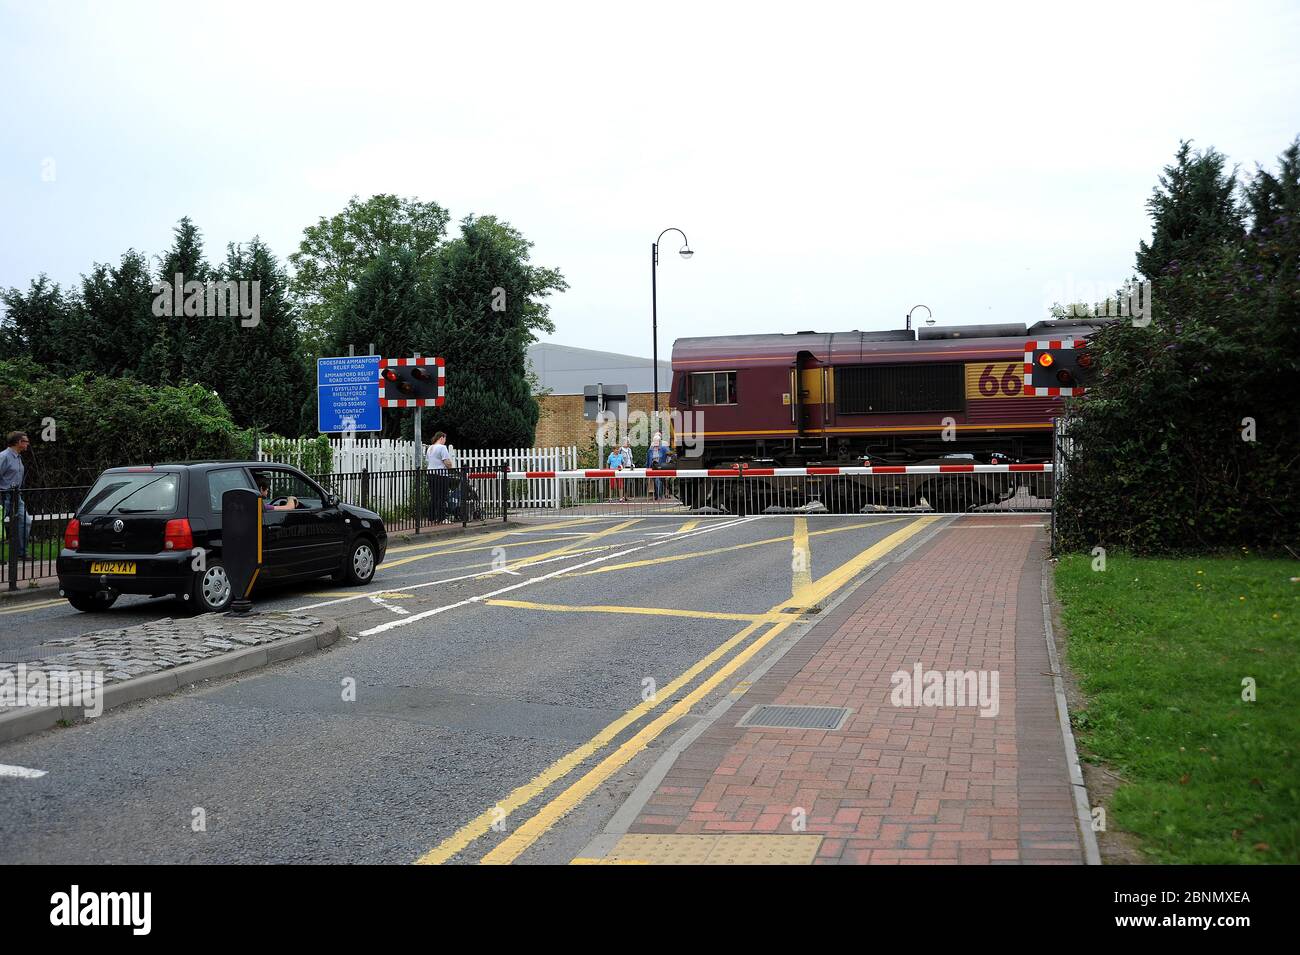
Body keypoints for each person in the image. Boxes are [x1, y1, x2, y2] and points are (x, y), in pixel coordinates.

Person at [0, 431, 31, 559]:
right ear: (19, 442)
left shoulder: (18, 457)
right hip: (3, 496)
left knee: (26, 521)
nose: (28, 444)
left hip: (16, 496)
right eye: (26, 441)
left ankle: (21, 553)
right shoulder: (4, 456)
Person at [426, 431, 456, 523]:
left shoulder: (430, 448)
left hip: (430, 474)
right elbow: (446, 461)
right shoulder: (442, 447)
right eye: (445, 439)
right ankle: (442, 518)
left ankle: (431, 517)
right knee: (442, 497)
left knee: (434, 496)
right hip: (441, 475)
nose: (445, 441)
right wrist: (451, 467)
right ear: (441, 438)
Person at [646, 432, 669, 501]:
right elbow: (648, 459)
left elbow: (670, 455)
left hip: (661, 467)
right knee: (656, 481)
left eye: (657, 442)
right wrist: (647, 468)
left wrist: (669, 464)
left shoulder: (664, 448)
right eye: (654, 442)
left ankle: (659, 496)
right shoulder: (650, 450)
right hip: (652, 468)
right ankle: (657, 495)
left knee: (658, 480)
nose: (655, 444)